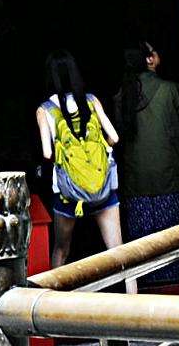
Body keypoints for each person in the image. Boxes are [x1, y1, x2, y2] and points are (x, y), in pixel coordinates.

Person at [35, 50, 133, 293]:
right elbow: (114, 137)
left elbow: (47, 153)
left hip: (68, 194)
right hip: (103, 187)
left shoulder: (45, 110)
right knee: (120, 252)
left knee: (61, 250)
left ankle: (54, 305)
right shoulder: (91, 100)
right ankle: (136, 303)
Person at [114, 42, 179, 240]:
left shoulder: (122, 96)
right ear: (149, 60)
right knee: (173, 241)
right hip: (170, 180)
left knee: (144, 246)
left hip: (136, 183)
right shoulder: (170, 90)